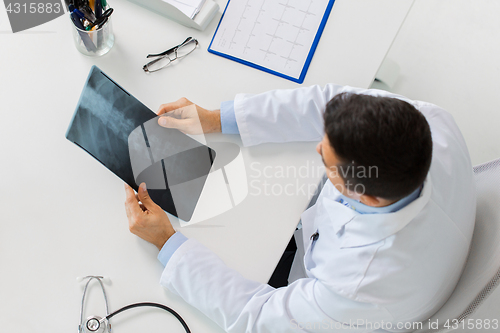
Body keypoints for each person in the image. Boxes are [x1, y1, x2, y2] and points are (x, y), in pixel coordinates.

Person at [124, 84, 476, 332]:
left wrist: (167, 242)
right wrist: (218, 119)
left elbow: (258, 317)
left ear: (365, 196)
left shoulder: (357, 285)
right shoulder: (429, 122)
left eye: (327, 159)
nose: (317, 150)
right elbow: (329, 102)